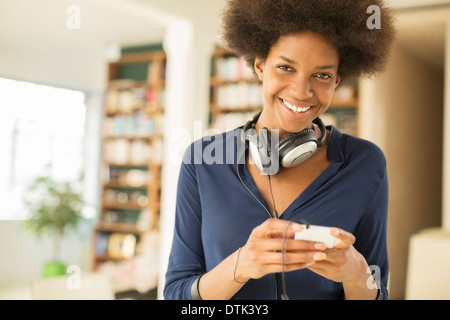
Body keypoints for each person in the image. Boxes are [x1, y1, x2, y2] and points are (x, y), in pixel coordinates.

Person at [164, 0, 396, 300]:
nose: (302, 91)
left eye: (322, 75)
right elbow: (177, 295)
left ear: (337, 79)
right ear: (260, 65)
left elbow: (378, 294)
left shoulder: (364, 163)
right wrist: (240, 265)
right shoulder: (202, 161)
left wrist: (356, 272)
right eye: (286, 67)